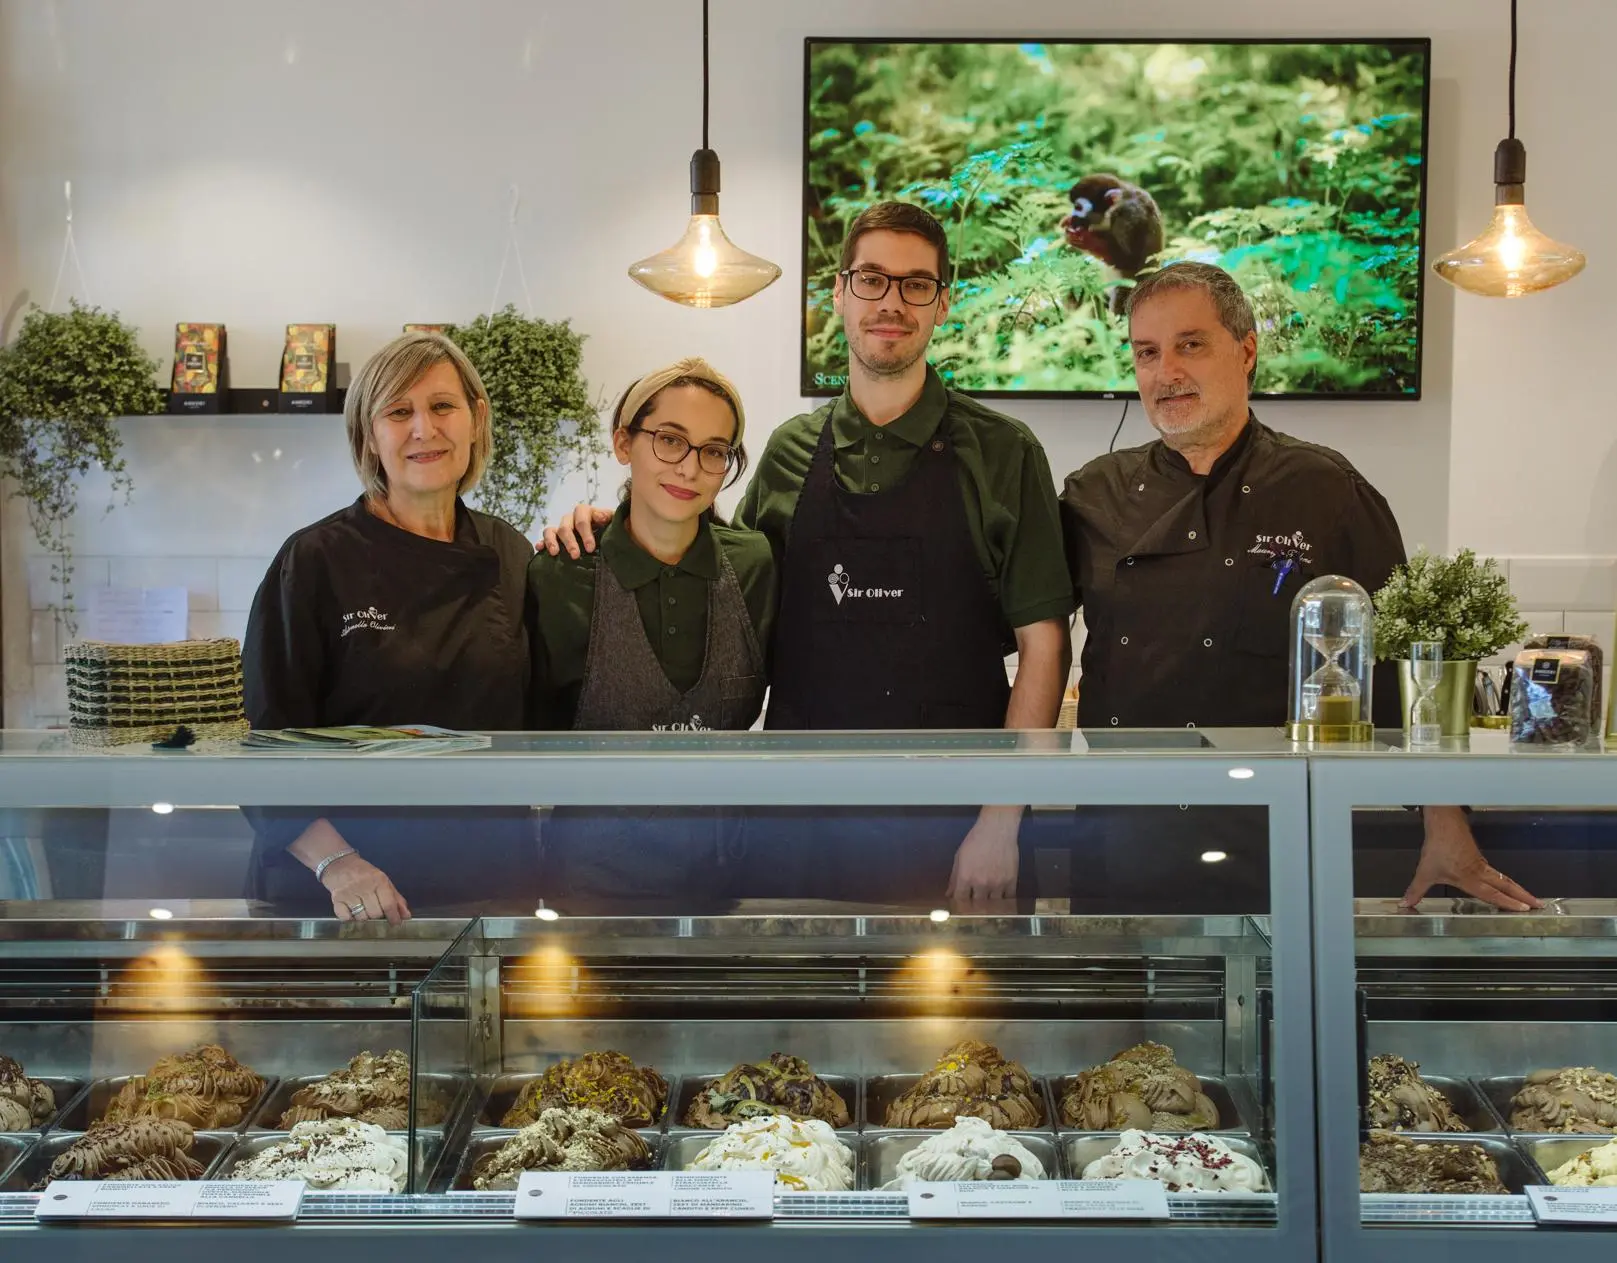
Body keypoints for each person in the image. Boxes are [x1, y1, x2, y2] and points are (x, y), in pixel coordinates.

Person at [543, 202, 1075, 904]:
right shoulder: (790, 449)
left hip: (956, 828)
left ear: (943, 304)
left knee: (963, 1014)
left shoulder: (1004, 453)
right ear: (838, 292)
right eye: (872, 280)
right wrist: (609, 521)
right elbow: (713, 560)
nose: (891, 302)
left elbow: (1045, 647)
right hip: (793, 829)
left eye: (916, 284)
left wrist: (1001, 822)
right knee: (795, 1011)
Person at [1058, 261, 1540, 913]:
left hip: (1278, 834)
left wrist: (1444, 822)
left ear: (1247, 350)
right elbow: (1036, 638)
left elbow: (1406, 665)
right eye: (1146, 352)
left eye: (1189, 345)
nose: (1164, 371)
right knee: (1123, 1016)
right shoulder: (1093, 493)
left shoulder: (1326, 490)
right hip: (1120, 836)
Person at [242, 331, 537, 922]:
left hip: (485, 882)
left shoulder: (510, 551)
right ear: (369, 436)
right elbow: (263, 742)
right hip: (341, 896)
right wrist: (338, 863)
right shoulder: (315, 560)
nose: (424, 429)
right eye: (399, 412)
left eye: (442, 406)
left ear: (476, 419)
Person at [527, 358, 773, 900]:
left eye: (714, 451)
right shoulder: (558, 573)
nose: (690, 469)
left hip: (731, 884)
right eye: (669, 440)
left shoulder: (755, 566)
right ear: (623, 443)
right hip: (585, 891)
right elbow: (525, 738)